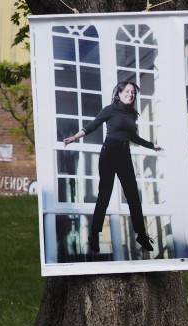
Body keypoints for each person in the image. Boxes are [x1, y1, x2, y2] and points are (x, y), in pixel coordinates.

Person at [63, 81, 163, 254]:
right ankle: (94, 234)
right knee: (105, 195)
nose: (130, 94)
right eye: (127, 91)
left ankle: (141, 234)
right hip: (109, 152)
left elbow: (134, 137)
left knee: (133, 196)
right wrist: (74, 137)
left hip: (125, 154)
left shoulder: (132, 115)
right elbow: (92, 126)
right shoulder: (110, 109)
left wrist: (152, 146)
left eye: (133, 92)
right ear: (119, 93)